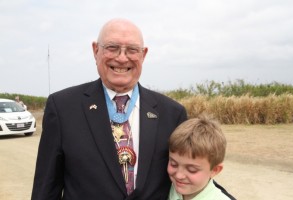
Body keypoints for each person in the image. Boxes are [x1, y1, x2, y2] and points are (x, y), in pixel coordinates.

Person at [31, 18, 187, 200]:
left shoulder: (173, 114)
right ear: (96, 51)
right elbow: (46, 189)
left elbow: (194, 179)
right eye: (112, 48)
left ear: (143, 54)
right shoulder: (62, 108)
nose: (122, 58)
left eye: (132, 50)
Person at [167, 114, 236, 200]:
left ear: (215, 170)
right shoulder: (165, 188)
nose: (179, 175)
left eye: (192, 170)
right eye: (173, 164)